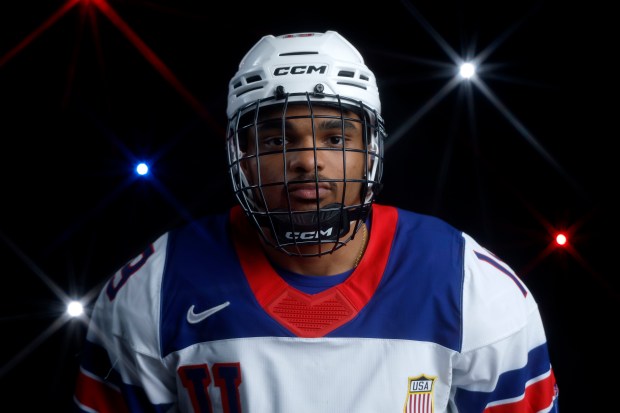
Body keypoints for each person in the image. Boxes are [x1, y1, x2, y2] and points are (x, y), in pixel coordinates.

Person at [73, 30, 559, 412]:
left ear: (370, 147)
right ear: (240, 155)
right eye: (278, 140)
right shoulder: (153, 288)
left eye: (334, 138)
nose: (308, 160)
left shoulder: (471, 283)